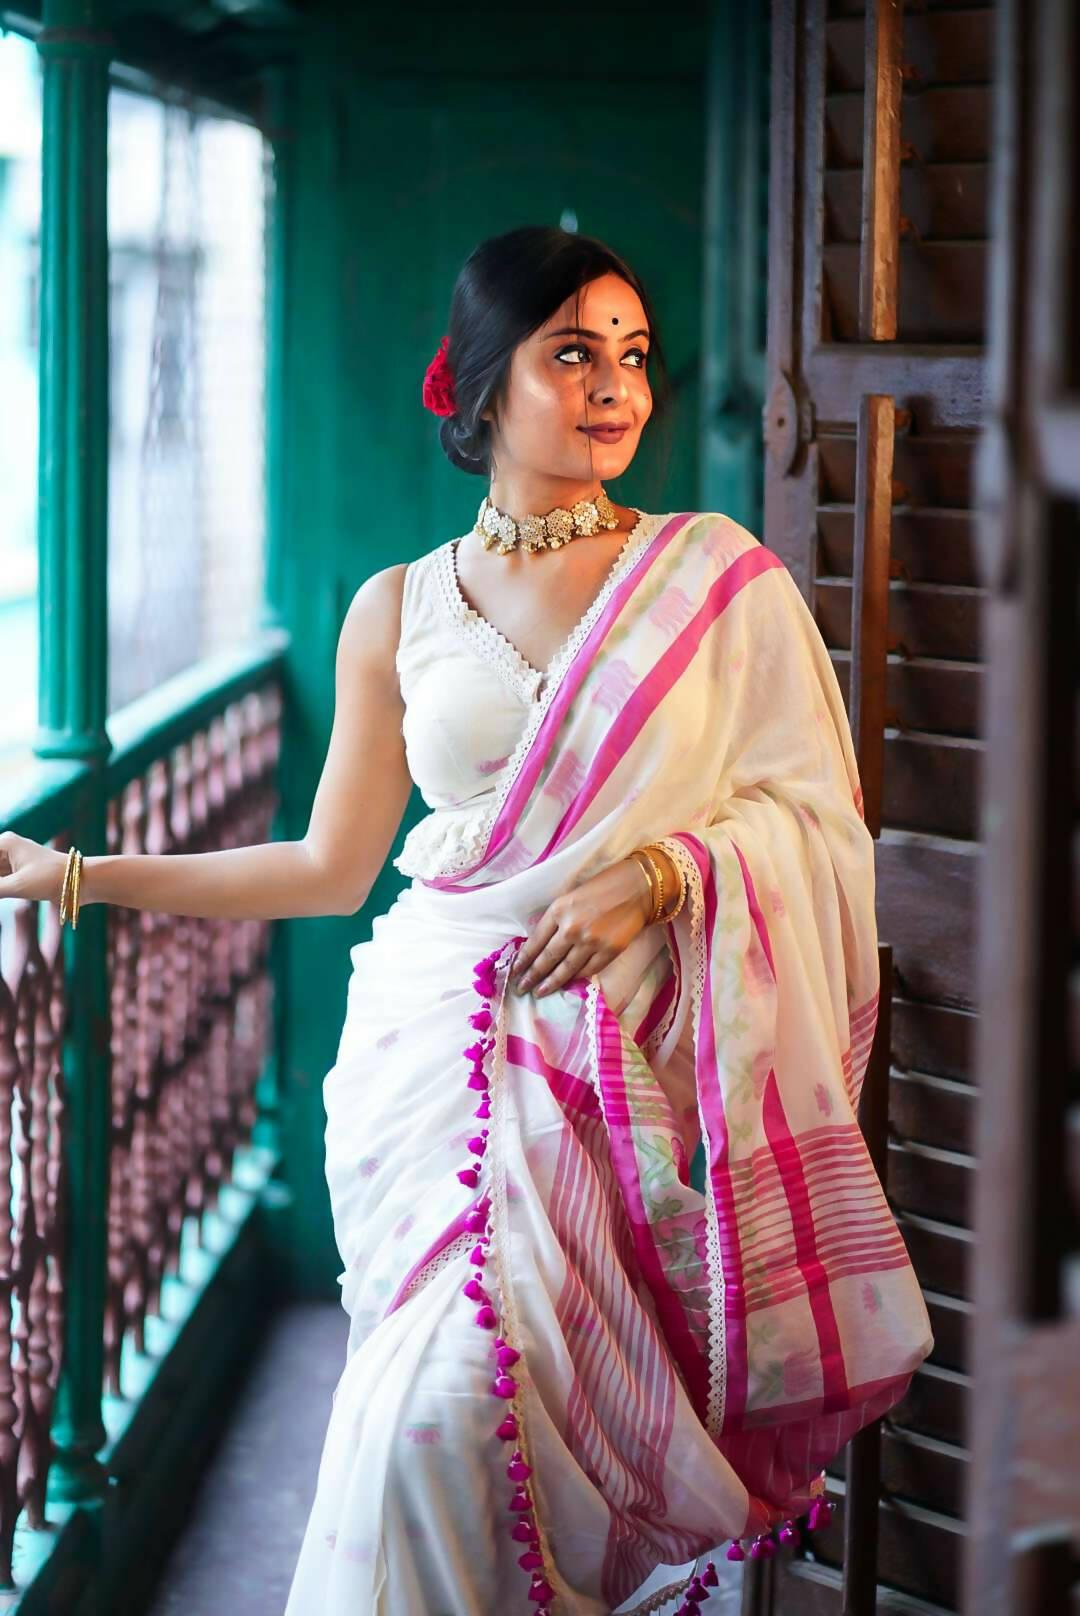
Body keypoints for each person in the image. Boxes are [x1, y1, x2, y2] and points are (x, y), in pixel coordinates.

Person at [0, 225, 934, 1616]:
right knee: (434, 1415)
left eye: (632, 356)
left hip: (636, 1061)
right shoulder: (399, 608)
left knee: (506, 1444)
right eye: (573, 354)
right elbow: (328, 867)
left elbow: (812, 824)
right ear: (482, 383)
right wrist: (82, 878)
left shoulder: (713, 580)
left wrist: (657, 876)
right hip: (440, 1056)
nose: (615, 385)